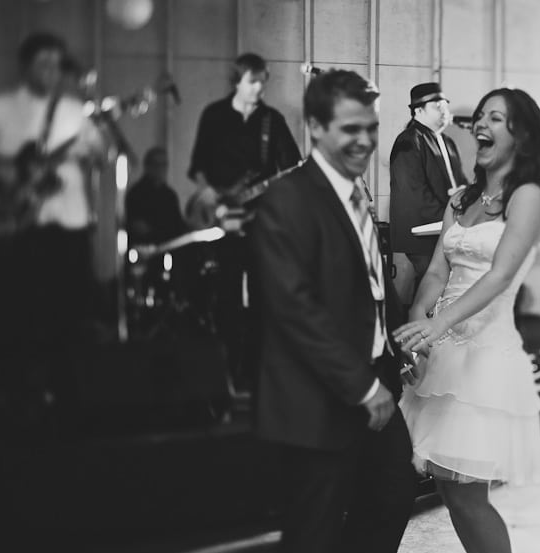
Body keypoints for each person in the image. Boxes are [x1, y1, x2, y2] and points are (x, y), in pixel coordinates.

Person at [250, 69, 418, 553]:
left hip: (374, 375)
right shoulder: (288, 198)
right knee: (314, 528)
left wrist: (392, 342)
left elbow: (369, 285)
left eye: (370, 127)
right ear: (317, 128)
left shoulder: (354, 195)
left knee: (391, 493)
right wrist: (363, 387)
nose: (364, 140)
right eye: (350, 129)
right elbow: (293, 309)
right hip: (318, 393)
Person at [393, 88, 540, 553]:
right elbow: (436, 272)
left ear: (522, 136)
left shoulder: (529, 197)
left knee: (467, 495)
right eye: (481, 116)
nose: (481, 124)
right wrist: (416, 321)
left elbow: (501, 276)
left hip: (483, 357)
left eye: (497, 118)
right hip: (440, 352)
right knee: (451, 492)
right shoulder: (461, 199)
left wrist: (438, 324)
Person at [0, 32, 106, 398]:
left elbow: (99, 155)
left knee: (71, 311)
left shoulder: (75, 111)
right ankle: (21, 397)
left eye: (57, 63)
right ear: (25, 66)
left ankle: (68, 395)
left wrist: (96, 149)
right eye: (43, 63)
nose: (52, 71)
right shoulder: (2, 108)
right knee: (19, 312)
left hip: (69, 223)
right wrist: (5, 168)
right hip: (21, 226)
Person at [186, 52, 301, 391]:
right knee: (226, 298)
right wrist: (212, 199)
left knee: (265, 298)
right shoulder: (214, 116)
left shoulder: (272, 121)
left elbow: (292, 168)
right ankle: (226, 372)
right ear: (237, 80)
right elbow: (198, 169)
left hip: (261, 221)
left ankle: (257, 372)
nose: (258, 89)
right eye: (252, 82)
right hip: (221, 221)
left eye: (262, 82)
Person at [390, 82, 466, 298]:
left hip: (446, 226)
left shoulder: (447, 141)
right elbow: (411, 192)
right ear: (418, 110)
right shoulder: (409, 140)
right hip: (423, 230)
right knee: (433, 285)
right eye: (437, 106)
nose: (445, 111)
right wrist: (450, 215)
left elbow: (460, 183)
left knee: (438, 287)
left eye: (446, 106)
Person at [126, 146, 186, 246]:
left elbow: (177, 225)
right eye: (157, 164)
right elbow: (139, 228)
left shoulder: (169, 195)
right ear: (148, 166)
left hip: (167, 249)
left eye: (164, 165)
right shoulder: (136, 194)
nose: (161, 169)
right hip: (145, 250)